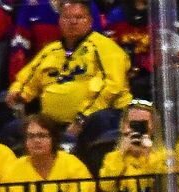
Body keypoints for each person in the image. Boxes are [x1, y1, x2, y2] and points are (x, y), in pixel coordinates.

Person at [7, 0, 129, 147]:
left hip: (98, 116)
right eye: (67, 17)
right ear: (59, 21)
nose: (72, 22)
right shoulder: (51, 50)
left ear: (90, 21)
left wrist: (81, 119)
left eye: (79, 18)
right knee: (12, 129)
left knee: (99, 121)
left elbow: (111, 87)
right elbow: (27, 78)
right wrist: (18, 92)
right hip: (54, 124)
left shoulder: (105, 48)